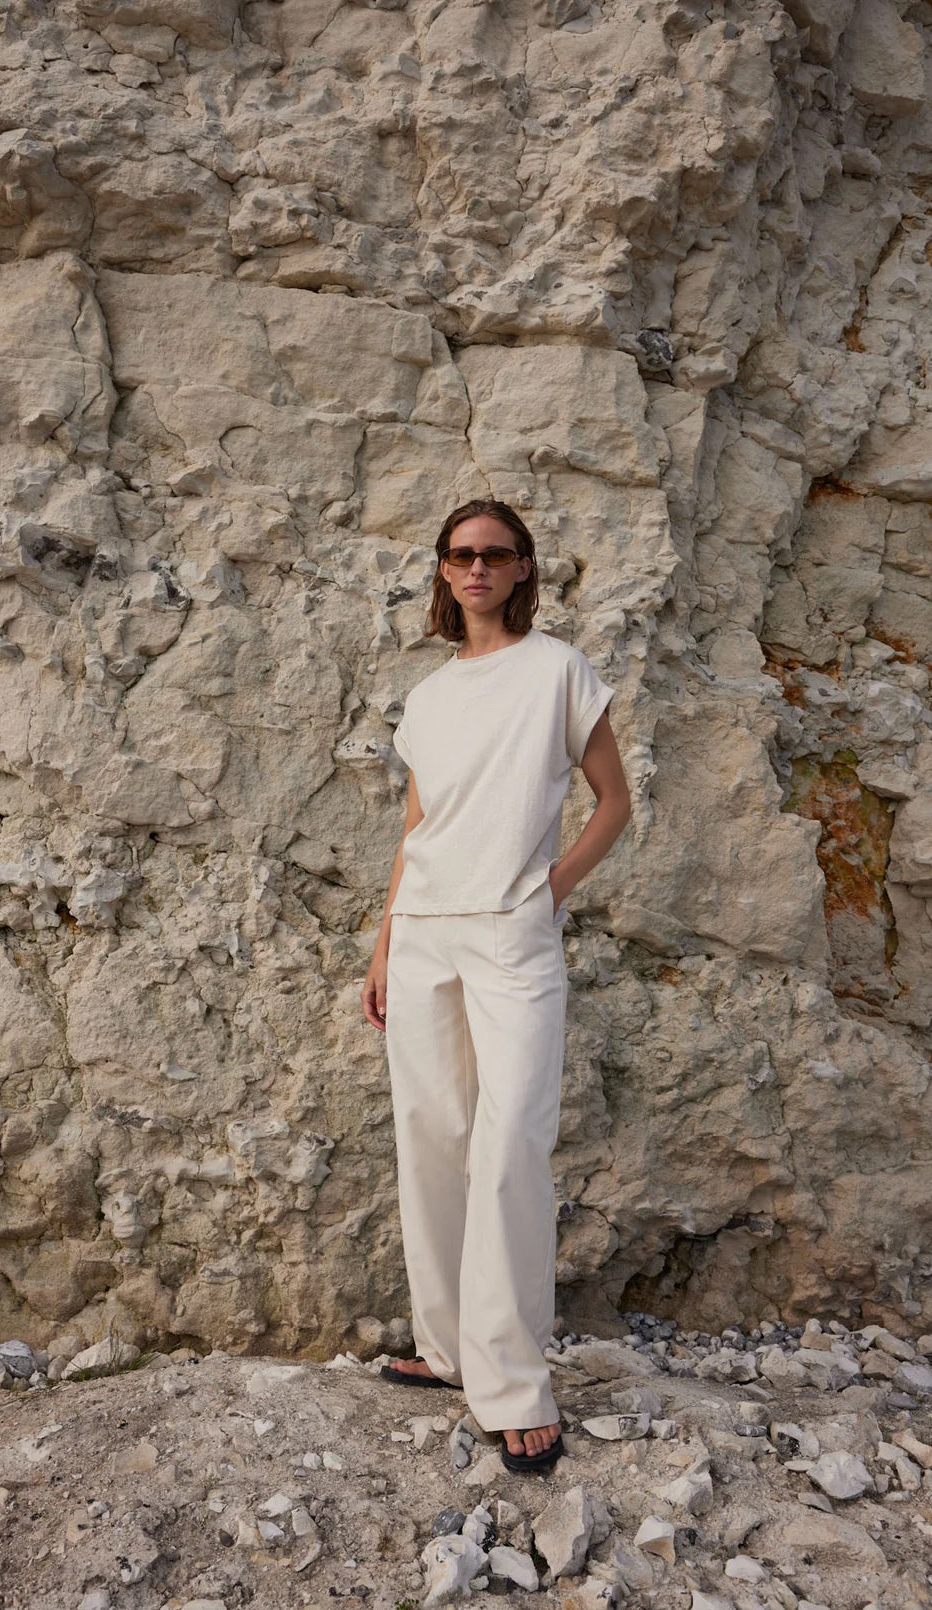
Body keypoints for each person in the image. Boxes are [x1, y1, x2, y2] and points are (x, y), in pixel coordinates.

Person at [361, 497, 632, 1474]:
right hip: (423, 932)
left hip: (511, 935)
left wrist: (546, 890)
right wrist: (384, 941)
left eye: (495, 553)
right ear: (443, 570)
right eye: (460, 554)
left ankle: (513, 1382)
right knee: (431, 1140)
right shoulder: (429, 696)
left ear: (522, 568)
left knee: (510, 1143)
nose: (476, 567)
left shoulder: (558, 670)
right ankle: (447, 1351)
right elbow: (417, 828)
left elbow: (614, 802)